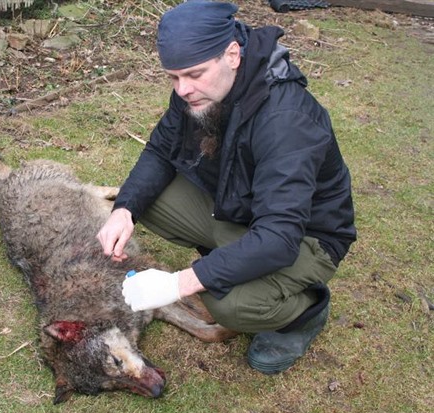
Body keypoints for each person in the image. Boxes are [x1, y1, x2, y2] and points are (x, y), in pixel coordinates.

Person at [97, 0, 356, 374]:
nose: (183, 89)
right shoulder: (200, 89)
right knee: (145, 199)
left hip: (306, 236)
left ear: (232, 54)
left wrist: (181, 283)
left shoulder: (285, 119)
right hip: (242, 206)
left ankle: (303, 315)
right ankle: (233, 260)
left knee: (229, 304)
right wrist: (124, 209)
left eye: (194, 74)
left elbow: (280, 237)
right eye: (173, 78)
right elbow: (160, 149)